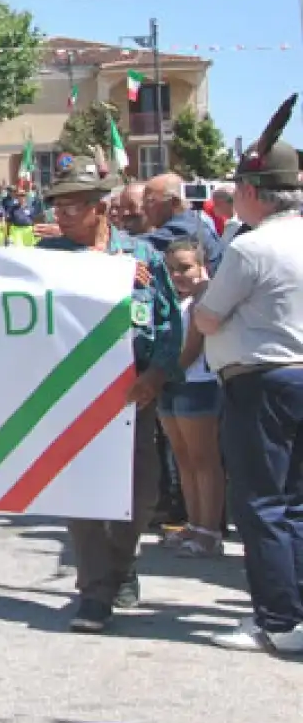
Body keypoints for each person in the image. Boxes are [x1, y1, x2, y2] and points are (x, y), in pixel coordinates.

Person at [31, 165, 179, 634]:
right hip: (75, 395)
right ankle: (94, 593)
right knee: (86, 494)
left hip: (134, 395)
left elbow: (170, 321)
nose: (62, 214)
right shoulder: (48, 255)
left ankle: (121, 566)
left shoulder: (142, 256)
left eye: (72, 206)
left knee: (141, 495)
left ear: (100, 208)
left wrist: (157, 373)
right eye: (57, 206)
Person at [191, 103, 303, 652]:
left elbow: (209, 316)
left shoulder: (252, 247)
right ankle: (293, 611)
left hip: (262, 382)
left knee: (261, 503)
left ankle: (278, 621)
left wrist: (202, 308)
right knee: (297, 502)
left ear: (254, 193)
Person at [157, 239, 226, 560]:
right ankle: (194, 523)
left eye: (185, 267)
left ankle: (210, 531)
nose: (177, 275)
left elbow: (193, 347)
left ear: (202, 267)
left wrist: (164, 374)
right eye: (171, 269)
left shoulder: (205, 299)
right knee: (182, 459)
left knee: (204, 460)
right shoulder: (173, 300)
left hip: (198, 383)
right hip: (170, 385)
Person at [142, 173, 223, 273]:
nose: (143, 207)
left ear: (174, 202)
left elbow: (134, 245)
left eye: (150, 201)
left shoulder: (182, 229)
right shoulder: (193, 220)